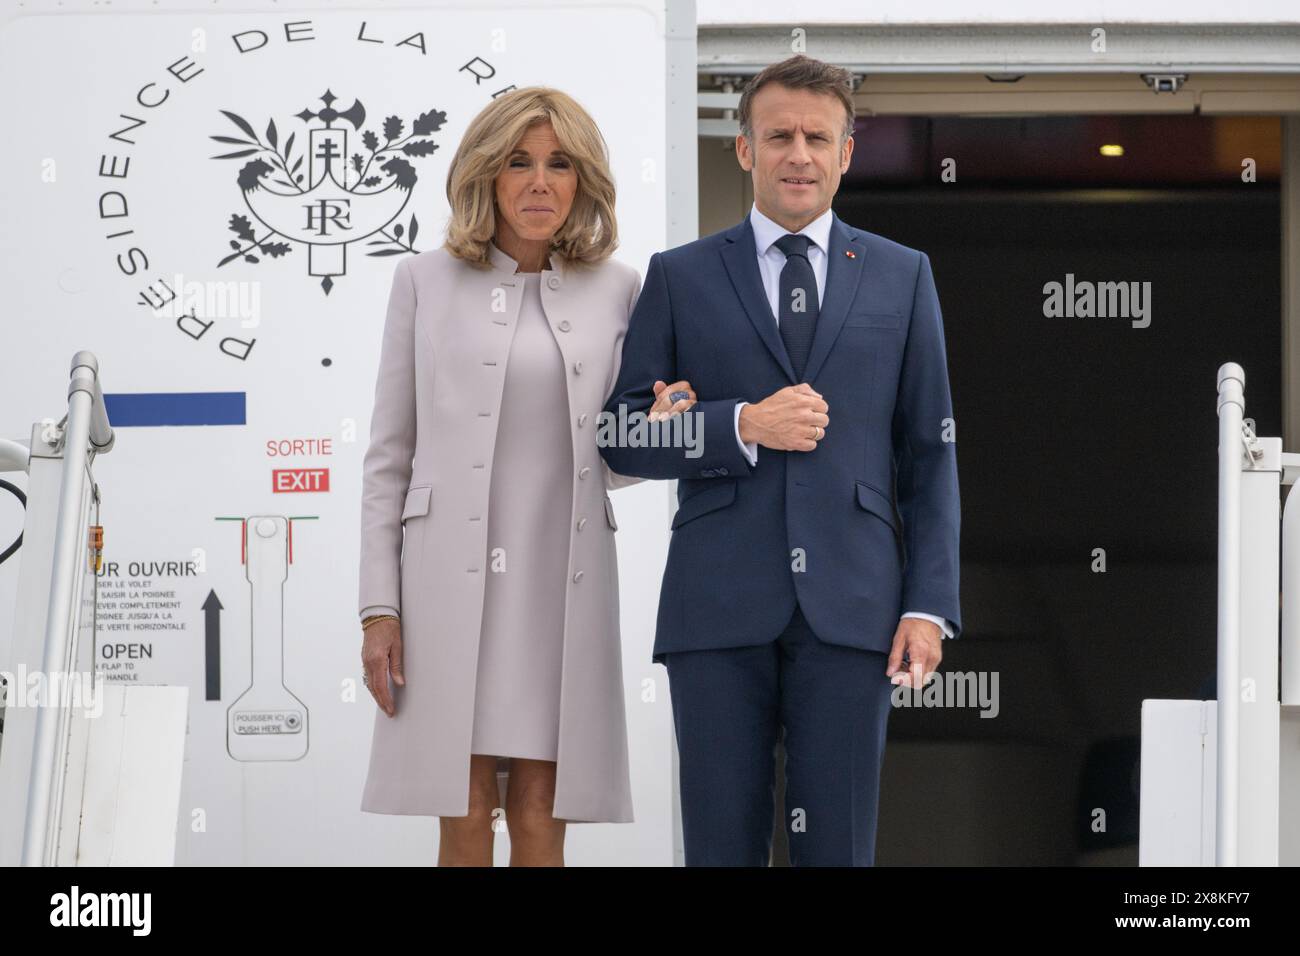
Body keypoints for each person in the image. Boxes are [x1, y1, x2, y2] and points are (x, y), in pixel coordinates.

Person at [599, 54, 962, 866]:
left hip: (857, 606)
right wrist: (741, 425)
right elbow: (622, 435)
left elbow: (929, 454)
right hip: (717, 606)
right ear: (744, 150)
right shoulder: (679, 276)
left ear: (845, 153)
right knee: (720, 848)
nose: (798, 153)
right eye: (779, 136)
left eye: (816, 137)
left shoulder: (904, 277)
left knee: (837, 848)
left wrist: (928, 605)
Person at [357, 86, 642, 866]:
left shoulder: (620, 289)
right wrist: (378, 608)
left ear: (584, 179)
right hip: (445, 582)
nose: (539, 182)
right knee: (465, 802)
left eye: (559, 163)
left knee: (543, 808)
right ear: (486, 173)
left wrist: (667, 424)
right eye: (518, 162)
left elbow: (619, 457)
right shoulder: (423, 282)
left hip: (562, 580)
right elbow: (388, 455)